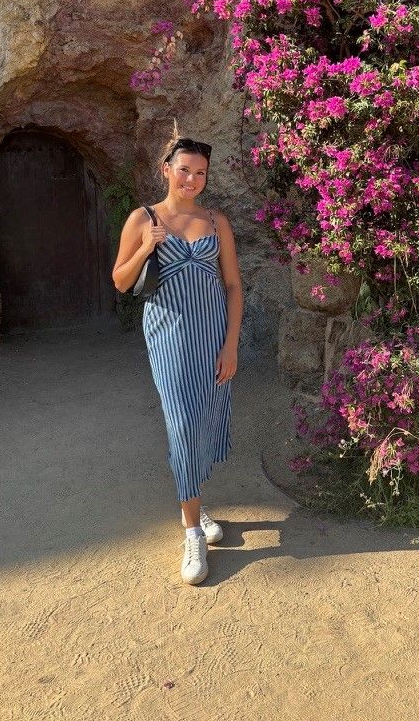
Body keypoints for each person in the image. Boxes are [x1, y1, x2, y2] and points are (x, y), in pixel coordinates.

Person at [112, 133, 243, 585]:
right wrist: (148, 246)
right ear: (165, 169)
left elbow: (232, 287)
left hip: (213, 336)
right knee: (182, 422)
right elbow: (120, 280)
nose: (191, 179)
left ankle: (195, 501)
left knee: (205, 418)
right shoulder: (143, 218)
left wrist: (231, 345)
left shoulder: (216, 221)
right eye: (184, 169)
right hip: (168, 336)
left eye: (200, 172)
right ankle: (192, 531)